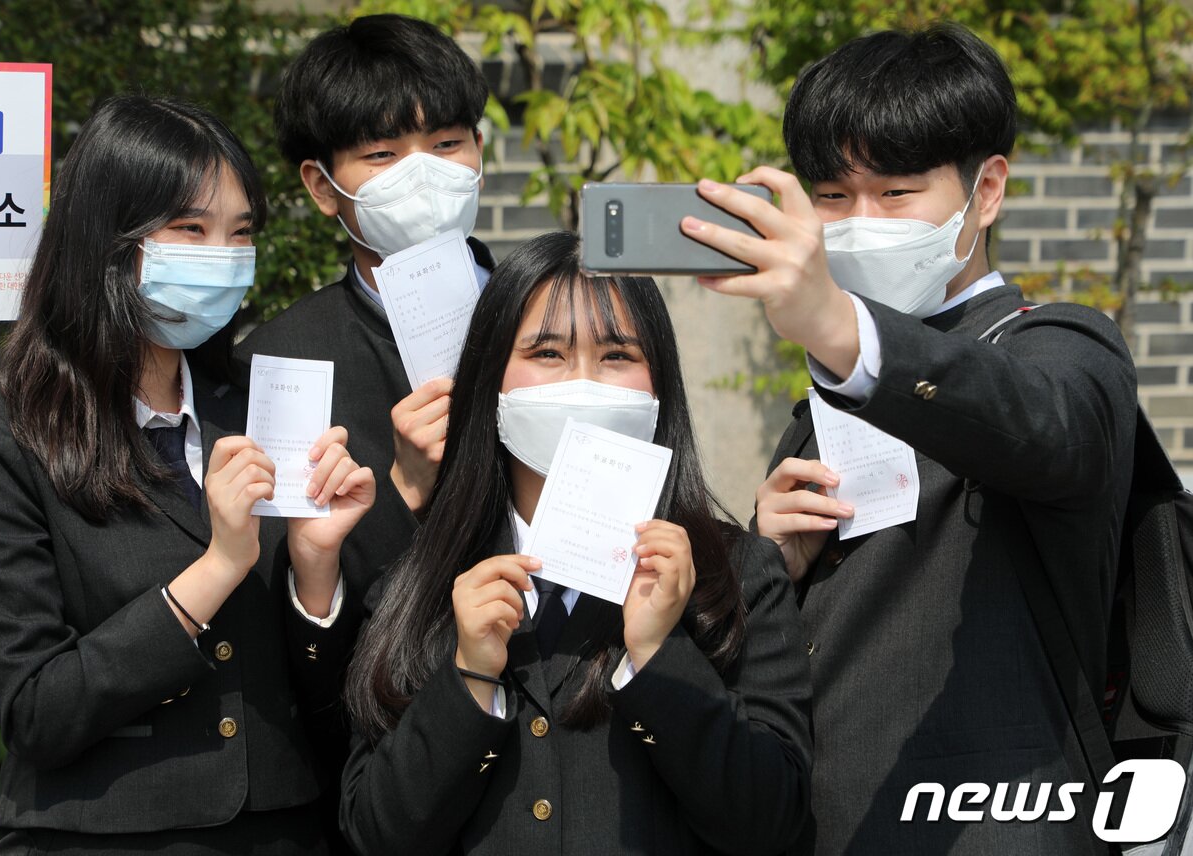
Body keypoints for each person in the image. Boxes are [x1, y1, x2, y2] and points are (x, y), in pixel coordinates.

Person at [682, 24, 1138, 855]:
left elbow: (1044, 425)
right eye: (832, 197)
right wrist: (770, 560)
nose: (860, 224)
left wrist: (845, 330)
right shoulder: (828, 389)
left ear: (986, 190)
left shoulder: (1063, 348)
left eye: (896, 194)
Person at [0, 94, 375, 855]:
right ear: (107, 241)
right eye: (191, 230)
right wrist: (217, 567)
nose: (223, 256)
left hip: (283, 830)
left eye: (240, 234)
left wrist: (316, 572)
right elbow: (37, 709)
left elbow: (333, 694)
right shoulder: (3, 438)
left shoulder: (262, 405)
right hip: (100, 836)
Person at [339, 231, 813, 856]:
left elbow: (775, 824)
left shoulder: (739, 575)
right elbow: (374, 835)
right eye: (547, 353)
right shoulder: (422, 580)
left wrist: (657, 652)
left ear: (658, 385)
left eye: (617, 354)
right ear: (492, 382)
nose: (584, 382)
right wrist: (470, 676)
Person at [239, 13, 493, 595]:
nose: (422, 174)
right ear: (323, 185)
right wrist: (403, 487)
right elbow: (292, 594)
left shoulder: (555, 318)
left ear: (479, 151)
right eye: (382, 154)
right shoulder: (280, 363)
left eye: (446, 143)